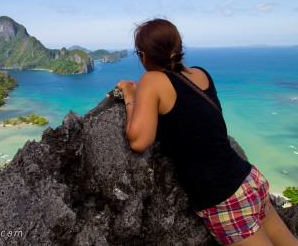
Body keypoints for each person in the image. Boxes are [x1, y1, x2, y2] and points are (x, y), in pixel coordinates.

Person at [114, 18, 298, 245]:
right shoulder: (201, 74)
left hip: (224, 198)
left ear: (143, 55)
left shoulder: (152, 81)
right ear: (178, 48)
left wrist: (131, 96)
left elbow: (138, 141)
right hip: (249, 180)